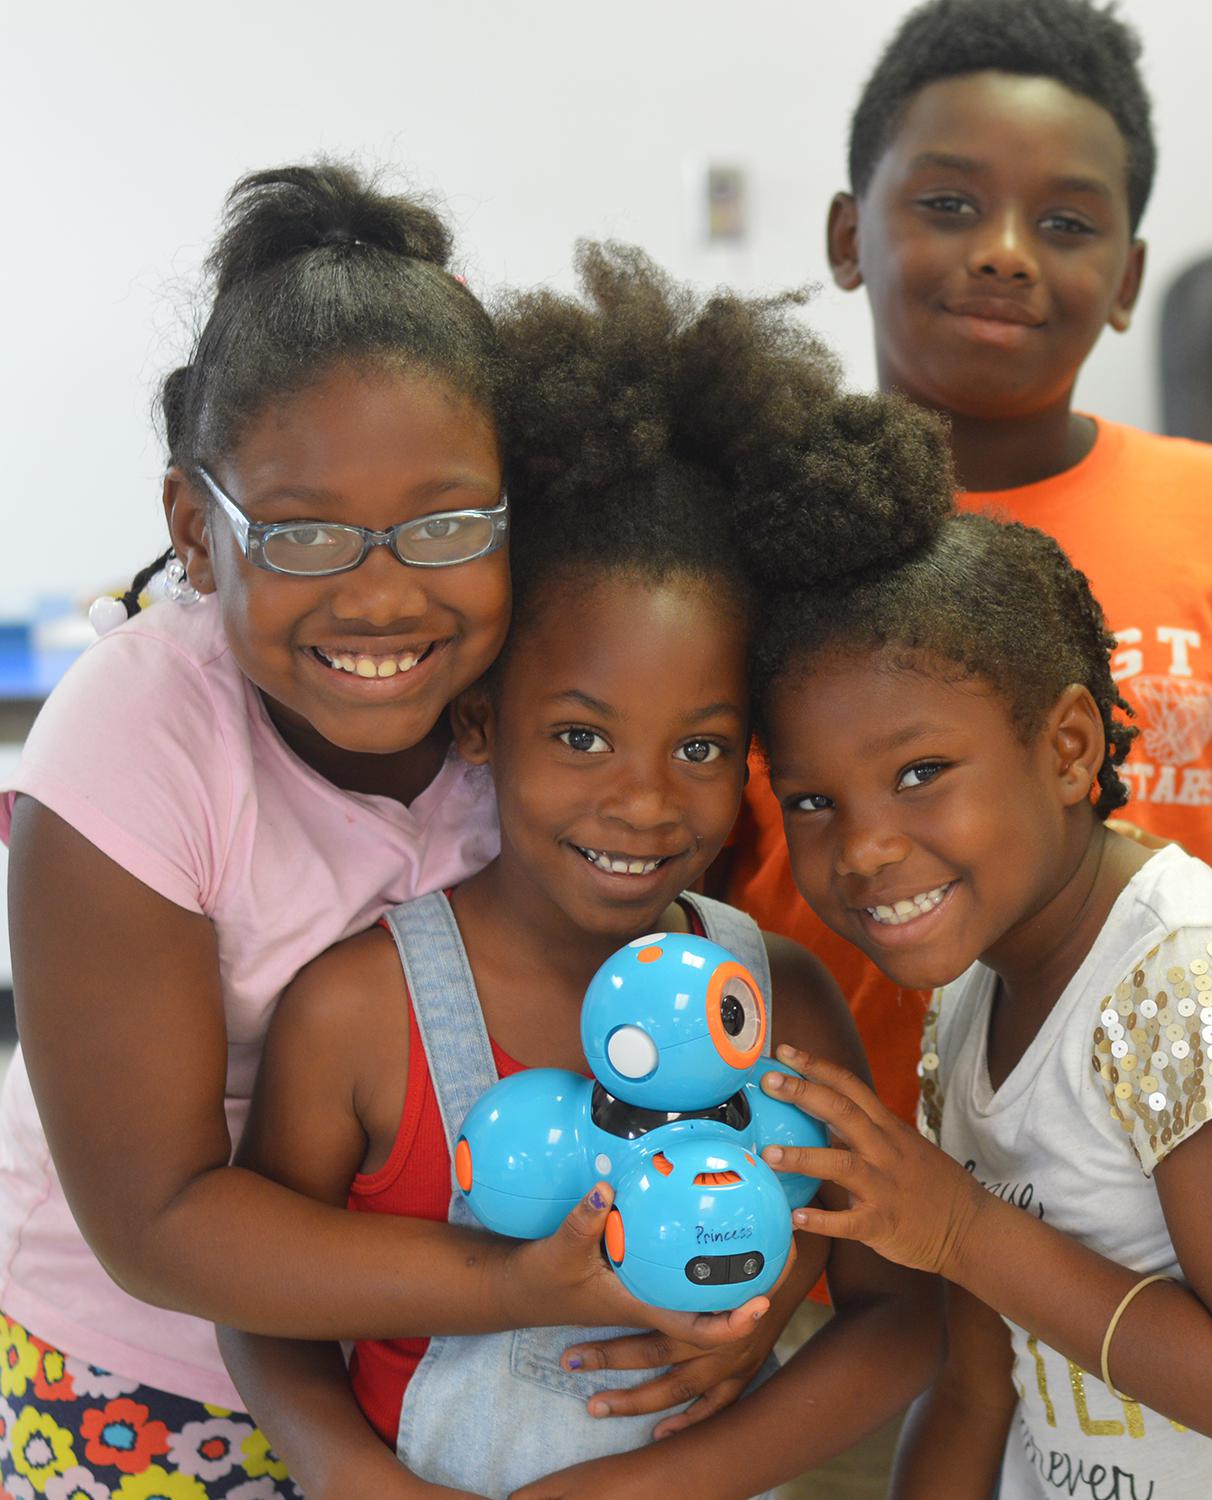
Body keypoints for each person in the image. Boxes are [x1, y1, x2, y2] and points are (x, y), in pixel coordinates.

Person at [0, 166, 758, 1494]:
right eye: (300, 536)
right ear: (194, 529)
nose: (379, 595)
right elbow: (159, 1221)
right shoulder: (131, 741)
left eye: (446, 524)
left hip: (481, 1372)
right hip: (147, 1376)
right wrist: (517, 1289)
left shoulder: (555, 691)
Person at [215, 247, 949, 1499]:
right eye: (580, 736)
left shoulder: (780, 1001)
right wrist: (349, 1474)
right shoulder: (353, 1017)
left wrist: (658, 1484)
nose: (646, 802)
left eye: (703, 746)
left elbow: (898, 1316)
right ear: (480, 725)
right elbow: (258, 1299)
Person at [723, 0, 1212, 1126]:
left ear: (1126, 279)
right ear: (845, 233)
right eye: (949, 204)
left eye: (1066, 223)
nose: (1005, 252)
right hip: (823, 1196)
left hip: (1155, 1205)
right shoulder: (748, 528)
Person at [745, 511, 1212, 1499]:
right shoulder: (978, 985)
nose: (862, 848)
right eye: (811, 800)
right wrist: (958, 1235)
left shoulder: (1193, 978)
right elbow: (979, 1391)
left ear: (1068, 748)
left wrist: (959, 1229)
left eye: (919, 774)